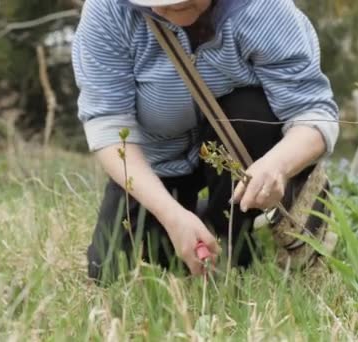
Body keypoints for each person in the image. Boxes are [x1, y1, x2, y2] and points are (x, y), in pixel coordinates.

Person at [72, 0, 340, 284]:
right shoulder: (109, 10)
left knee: (252, 112)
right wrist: (172, 216)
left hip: (240, 148)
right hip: (156, 158)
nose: (161, 9)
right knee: (113, 271)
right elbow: (109, 126)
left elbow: (313, 113)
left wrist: (278, 166)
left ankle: (248, 228)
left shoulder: (263, 8)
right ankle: (212, 225)